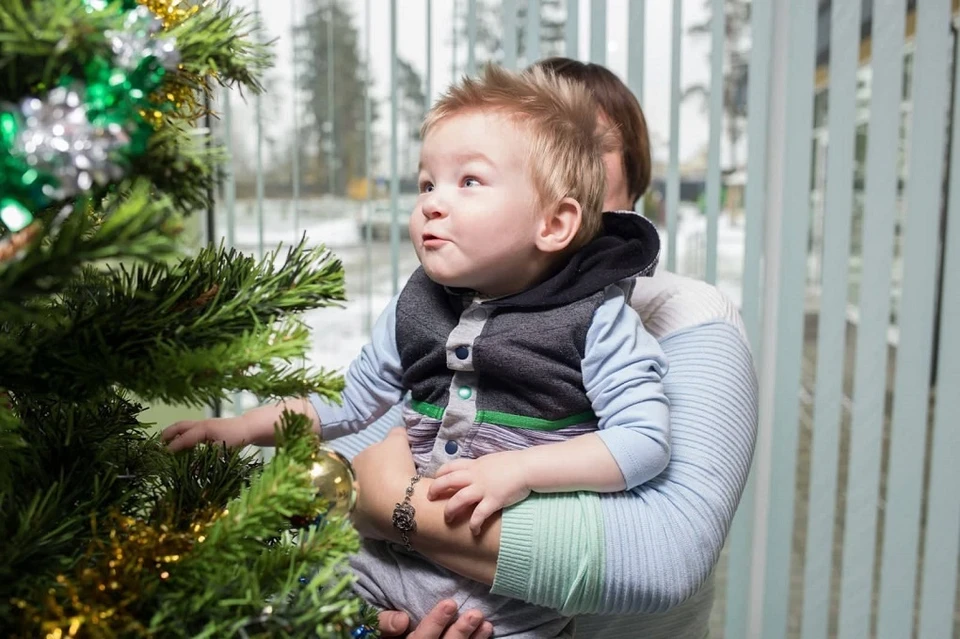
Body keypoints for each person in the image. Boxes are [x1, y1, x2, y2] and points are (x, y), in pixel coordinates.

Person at [165, 64, 671, 638]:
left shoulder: (598, 319)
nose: (432, 203)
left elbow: (644, 442)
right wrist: (241, 428)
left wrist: (522, 470)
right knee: (279, 595)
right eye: (427, 183)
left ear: (554, 223)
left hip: (500, 610)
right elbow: (351, 401)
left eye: (469, 182)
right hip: (378, 569)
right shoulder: (419, 303)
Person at [334, 59, 758, 639]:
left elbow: (665, 554)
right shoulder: (457, 302)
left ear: (634, 183)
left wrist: (392, 504)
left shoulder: (688, 312)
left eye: (588, 141)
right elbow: (345, 444)